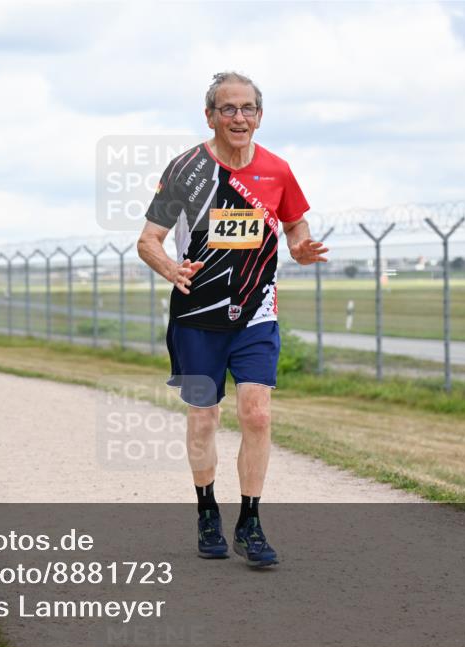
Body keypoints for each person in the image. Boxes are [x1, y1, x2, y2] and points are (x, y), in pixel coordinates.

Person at [137, 72, 328, 567]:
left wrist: (300, 246)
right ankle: (206, 511)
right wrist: (171, 268)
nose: (238, 118)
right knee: (204, 417)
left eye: (247, 109)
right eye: (228, 109)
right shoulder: (186, 170)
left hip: (256, 313)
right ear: (210, 116)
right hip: (198, 316)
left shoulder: (278, 171)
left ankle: (251, 520)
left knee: (257, 414)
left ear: (260, 116)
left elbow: (294, 223)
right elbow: (148, 240)